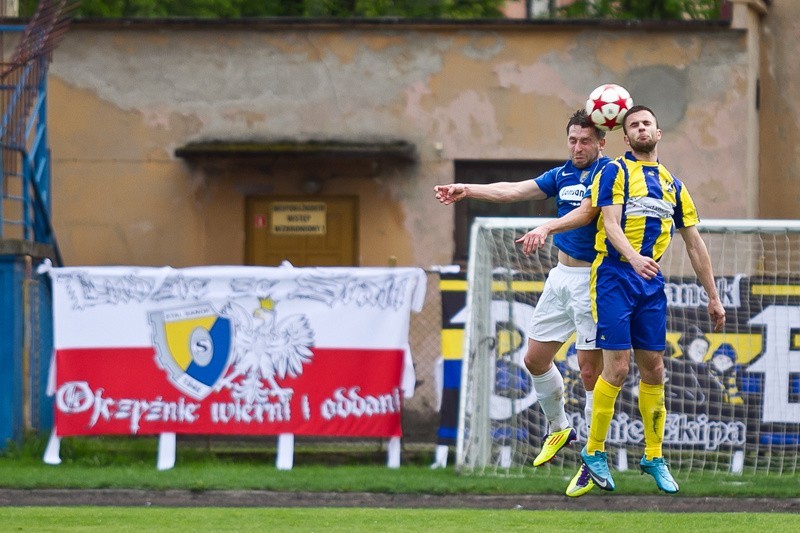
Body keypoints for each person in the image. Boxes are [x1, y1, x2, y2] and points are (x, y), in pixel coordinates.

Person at [434, 109, 609, 497]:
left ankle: (593, 455)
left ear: (601, 142)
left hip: (594, 281)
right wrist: (469, 189)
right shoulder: (561, 175)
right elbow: (514, 190)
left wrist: (546, 226)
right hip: (560, 278)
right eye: (573, 140)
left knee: (588, 373)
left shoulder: (609, 174)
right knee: (533, 359)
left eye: (585, 141)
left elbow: (590, 211)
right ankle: (559, 426)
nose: (578, 147)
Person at [575, 105, 727, 494]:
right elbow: (609, 223)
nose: (641, 128)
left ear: (658, 134)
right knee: (618, 367)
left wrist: (714, 296)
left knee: (656, 369)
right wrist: (633, 257)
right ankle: (594, 452)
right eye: (634, 125)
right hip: (614, 274)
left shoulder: (674, 185)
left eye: (647, 123)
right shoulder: (615, 171)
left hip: (650, 280)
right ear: (626, 138)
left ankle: (653, 456)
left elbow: (694, 243)